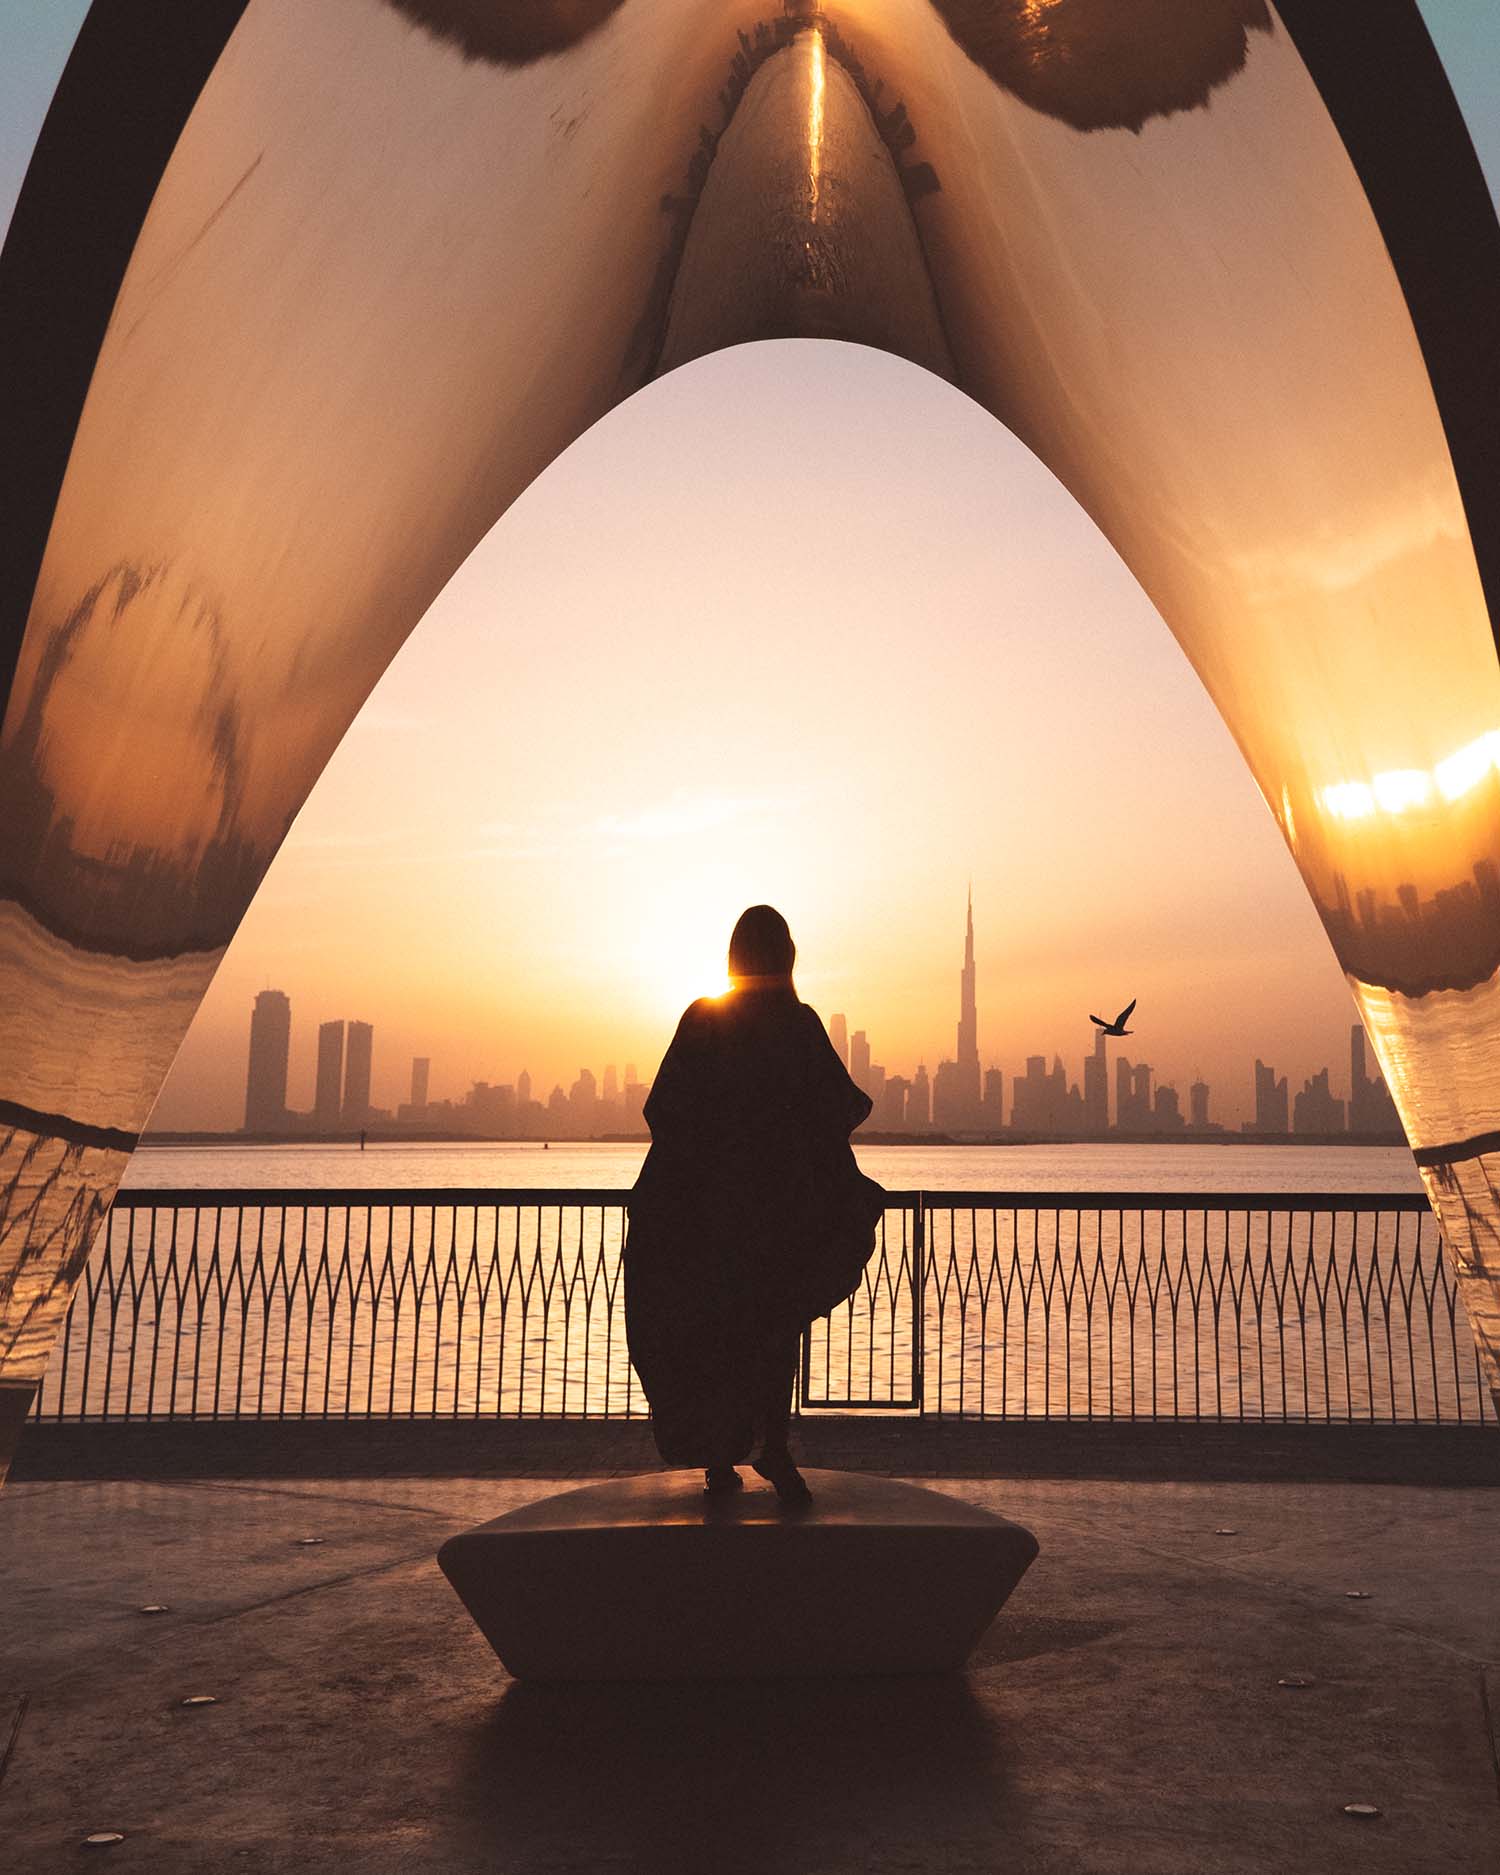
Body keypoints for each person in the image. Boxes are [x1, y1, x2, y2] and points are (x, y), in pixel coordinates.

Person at [625, 905, 885, 1505]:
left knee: (717, 1330)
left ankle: (722, 1458)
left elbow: (663, 1112)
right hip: (778, 1216)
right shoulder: (798, 1024)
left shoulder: (703, 1020)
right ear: (786, 957)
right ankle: (776, 1447)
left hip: (709, 1218)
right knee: (772, 1331)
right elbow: (840, 1107)